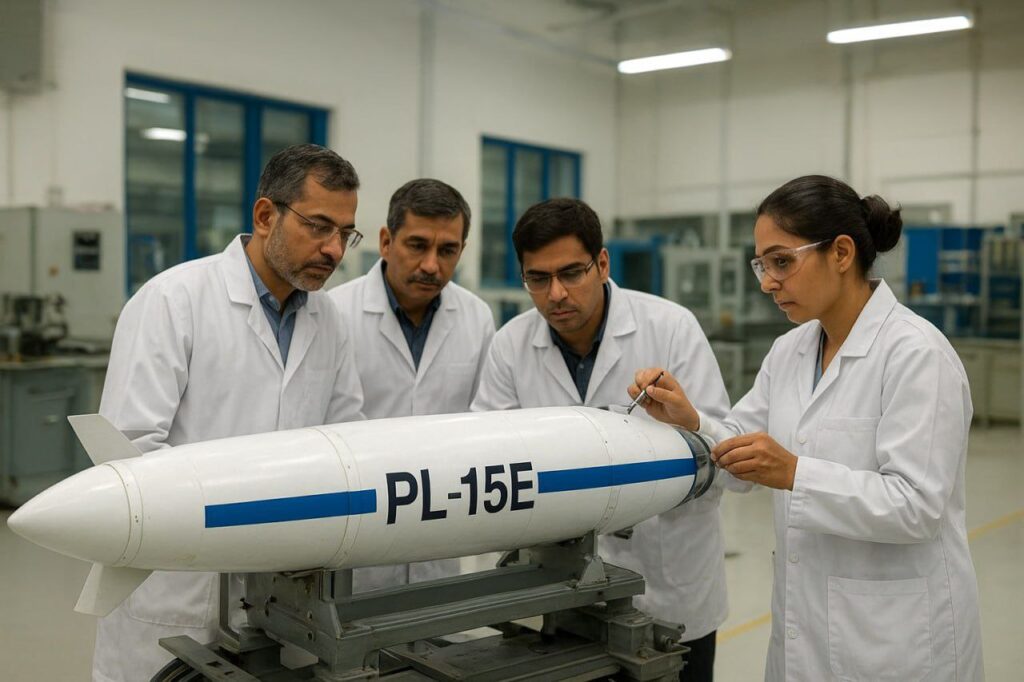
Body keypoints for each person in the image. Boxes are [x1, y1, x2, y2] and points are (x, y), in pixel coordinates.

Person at [630, 175, 984, 681]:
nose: (766, 282)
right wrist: (690, 420)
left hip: (896, 636)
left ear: (841, 252)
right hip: (806, 630)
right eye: (761, 264)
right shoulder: (790, 352)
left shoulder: (916, 354)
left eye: (781, 261)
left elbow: (917, 506)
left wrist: (798, 473)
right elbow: (741, 461)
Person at [92, 144, 367, 682]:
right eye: (318, 227)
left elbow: (347, 446)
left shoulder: (329, 321)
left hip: (282, 596)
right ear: (266, 216)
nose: (334, 249)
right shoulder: (173, 300)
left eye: (345, 233)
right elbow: (128, 456)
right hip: (180, 589)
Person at [471, 197, 731, 681]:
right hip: (559, 596)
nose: (556, 295)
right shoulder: (511, 345)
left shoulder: (671, 329)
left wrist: (687, 426)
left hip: (667, 588)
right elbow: (491, 462)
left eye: (572, 273)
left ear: (603, 263)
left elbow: (723, 465)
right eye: (538, 279)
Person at [329, 178, 495, 590]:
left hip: (441, 537)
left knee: (435, 640)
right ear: (386, 241)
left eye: (447, 250)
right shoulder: (333, 314)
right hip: (357, 538)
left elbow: (486, 428)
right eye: (417, 245)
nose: (431, 266)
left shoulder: (476, 318)